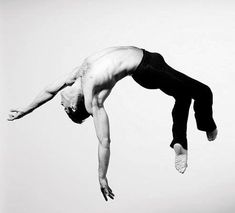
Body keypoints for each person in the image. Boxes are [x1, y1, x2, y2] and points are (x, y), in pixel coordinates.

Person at [8, 46, 218, 201]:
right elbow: (104, 141)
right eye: (63, 108)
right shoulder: (92, 99)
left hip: (150, 59)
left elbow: (49, 91)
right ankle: (194, 134)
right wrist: (102, 176)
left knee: (184, 96)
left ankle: (181, 140)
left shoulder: (77, 76)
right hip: (148, 69)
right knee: (201, 92)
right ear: (72, 107)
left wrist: (25, 110)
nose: (61, 103)